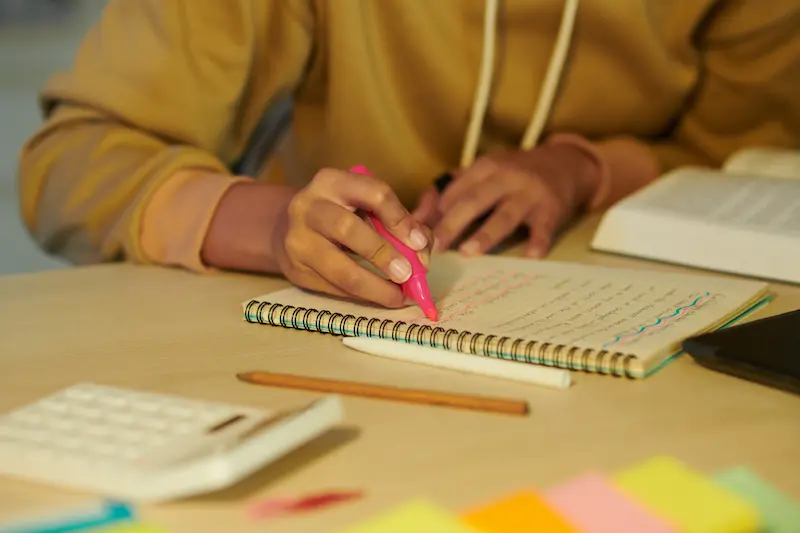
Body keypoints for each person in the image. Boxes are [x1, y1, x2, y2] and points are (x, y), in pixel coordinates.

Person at [17, 0, 799, 310]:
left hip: (630, 352)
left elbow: (763, 156)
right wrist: (276, 228)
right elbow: (71, 161)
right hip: (305, 353)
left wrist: (584, 169)